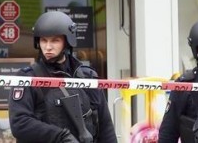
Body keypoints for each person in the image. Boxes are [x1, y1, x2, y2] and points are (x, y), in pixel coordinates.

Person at [8, 11, 117, 143]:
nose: (48, 47)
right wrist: (60, 136)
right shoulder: (28, 78)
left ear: (67, 42)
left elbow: (105, 127)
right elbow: (19, 123)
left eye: (55, 40)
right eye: (43, 40)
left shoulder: (87, 77)